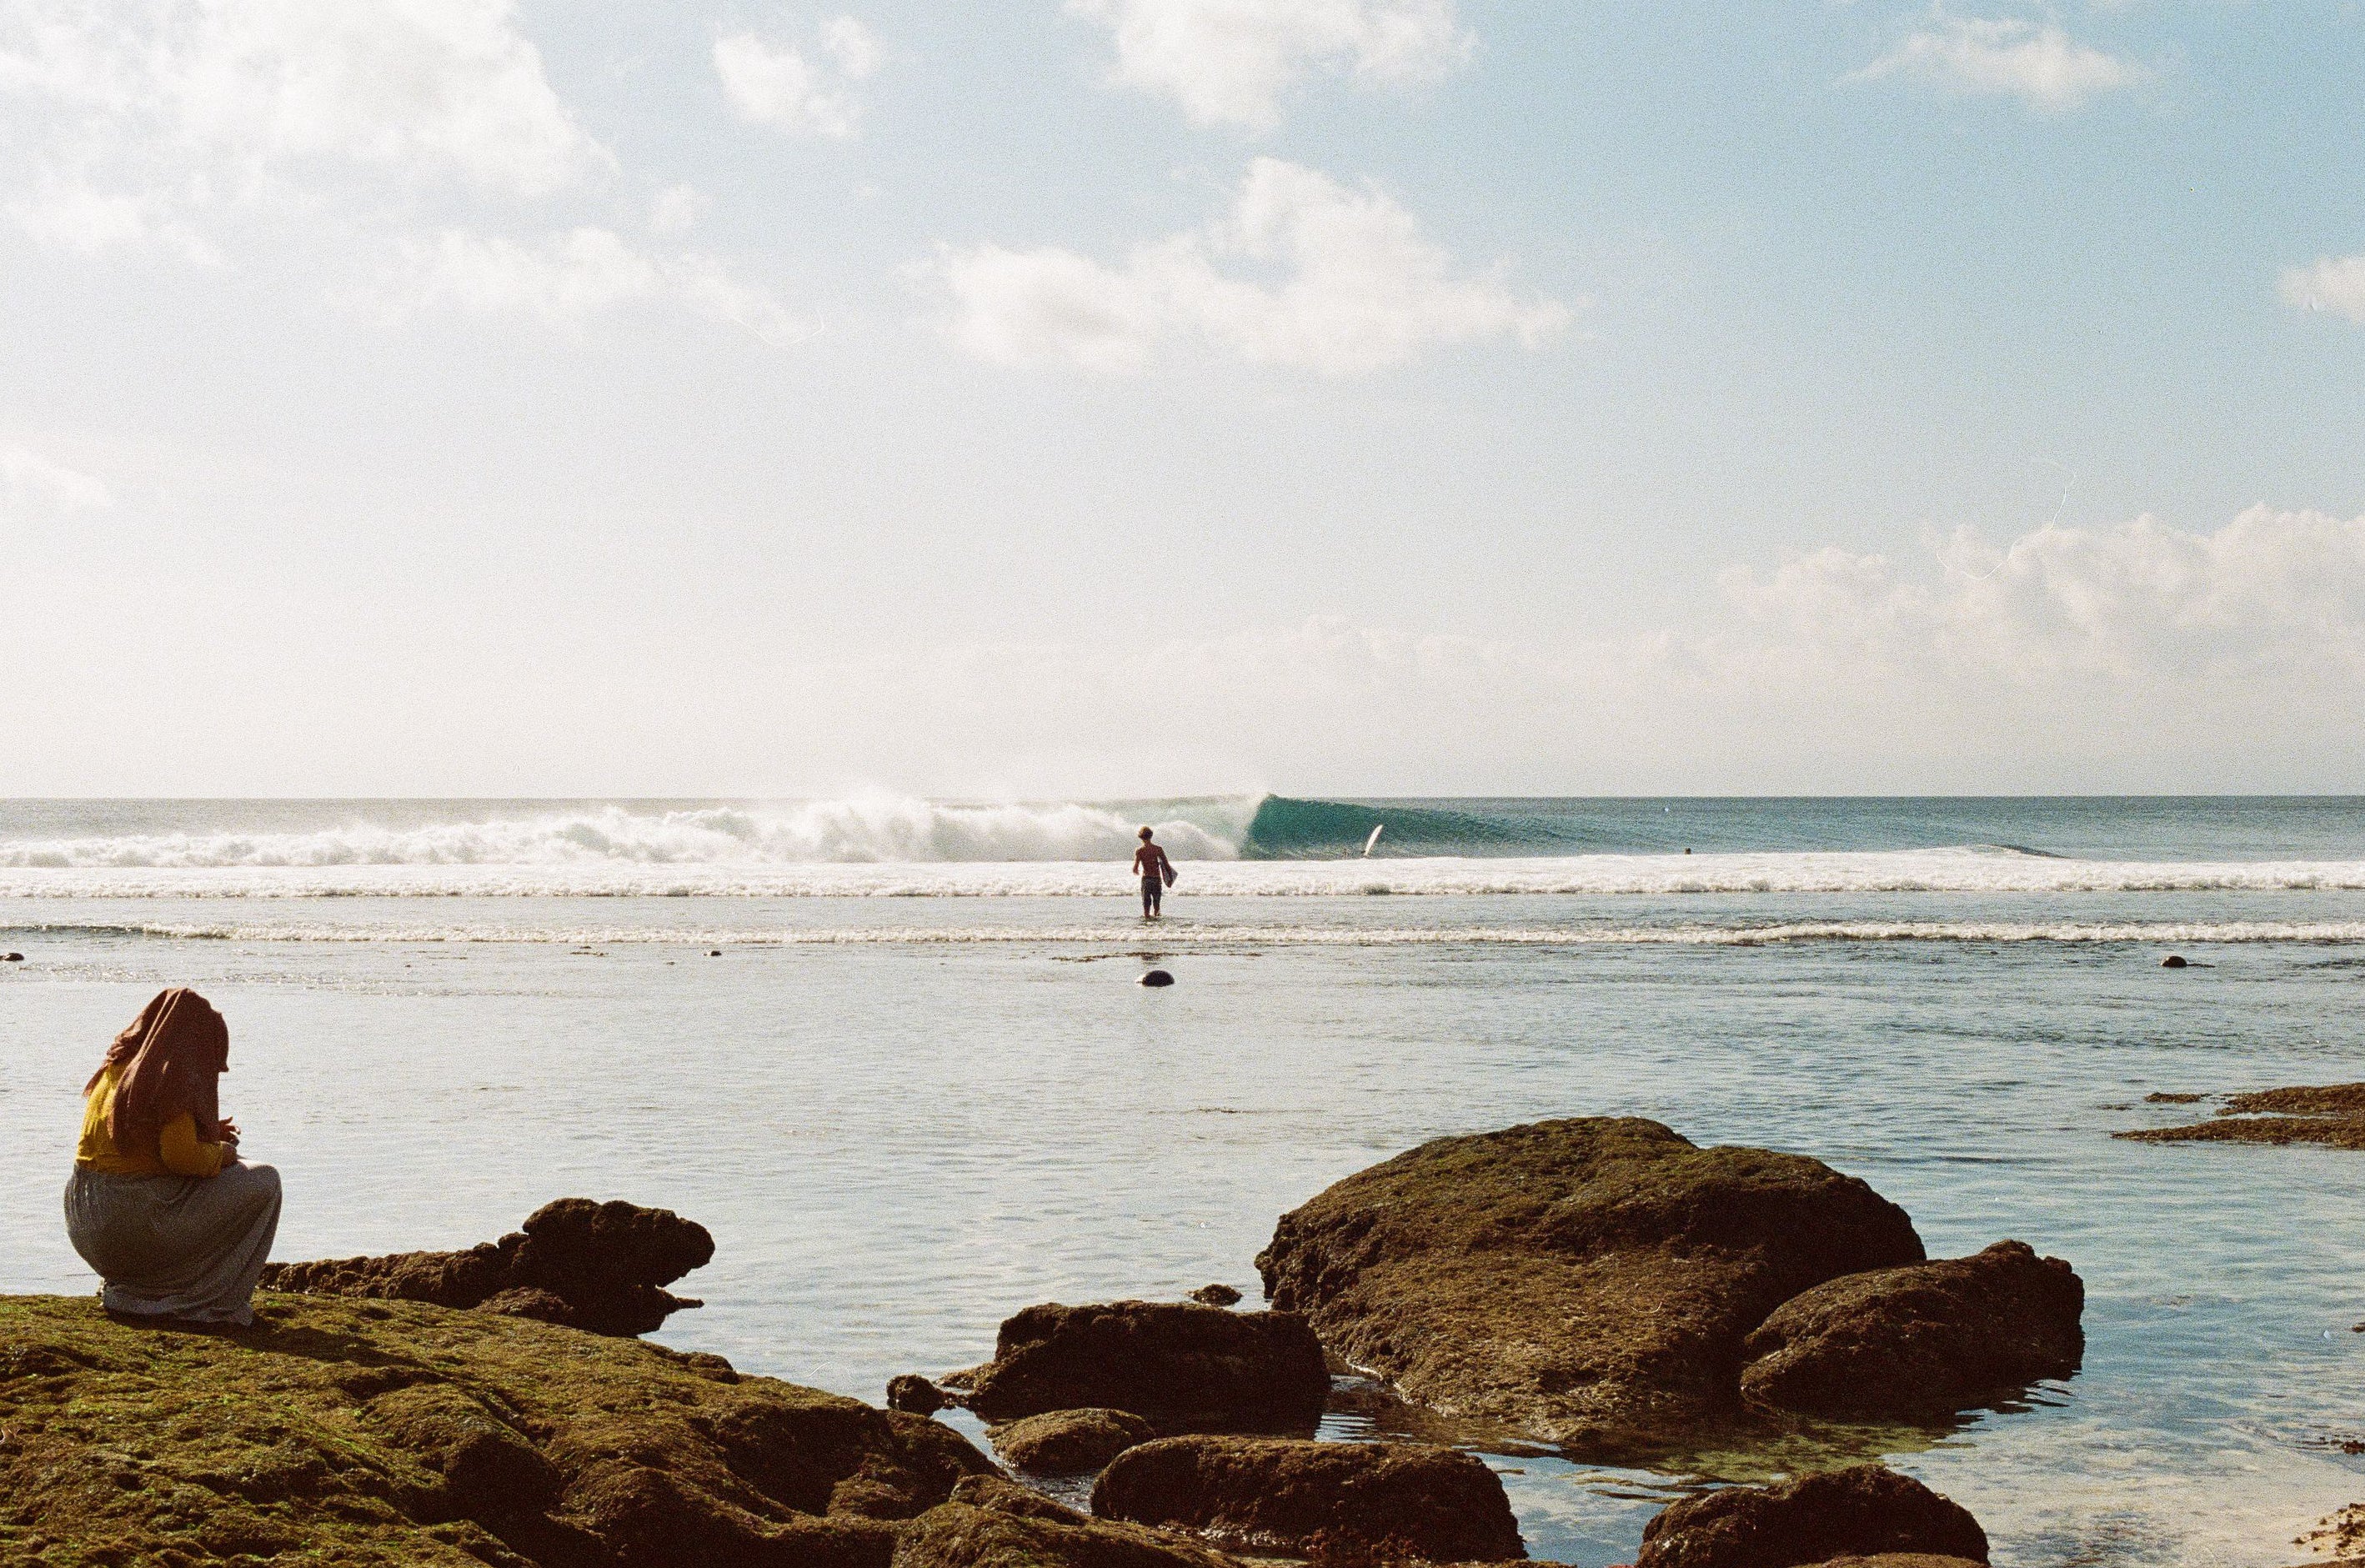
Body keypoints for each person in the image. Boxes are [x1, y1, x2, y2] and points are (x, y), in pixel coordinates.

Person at [63, 988, 282, 1328]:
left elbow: (140, 1142)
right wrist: (221, 1153)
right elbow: (183, 1159)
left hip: (86, 1219)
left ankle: (137, 1291)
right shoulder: (169, 1077)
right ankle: (203, 1299)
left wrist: (200, 1133)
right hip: (129, 1220)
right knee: (264, 1180)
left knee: (214, 1179)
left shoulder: (119, 1066)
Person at [1131, 826, 1174, 919]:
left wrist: (1136, 870)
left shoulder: (1140, 851)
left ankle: (1147, 929)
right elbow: (1167, 865)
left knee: (1146, 906)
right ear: (1151, 836)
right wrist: (1170, 878)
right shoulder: (1158, 849)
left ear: (1141, 837)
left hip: (1146, 879)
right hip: (1156, 879)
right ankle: (1156, 929)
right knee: (1157, 905)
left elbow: (1135, 868)